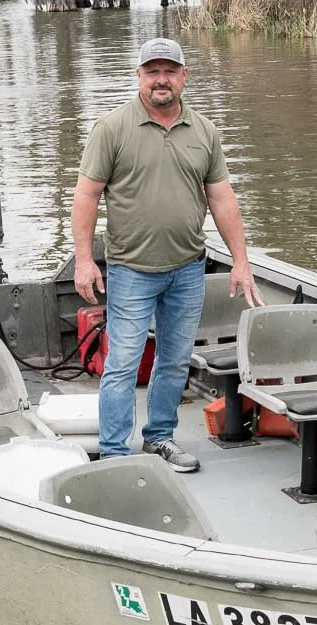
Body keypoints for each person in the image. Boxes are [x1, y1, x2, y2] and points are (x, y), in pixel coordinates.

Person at [70, 37, 264, 472]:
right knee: (122, 364)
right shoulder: (112, 128)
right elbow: (86, 195)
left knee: (174, 362)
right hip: (131, 270)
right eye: (153, 71)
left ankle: (159, 437)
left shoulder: (204, 131)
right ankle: (115, 453)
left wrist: (241, 261)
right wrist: (83, 260)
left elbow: (222, 198)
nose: (162, 79)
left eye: (170, 71)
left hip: (188, 270)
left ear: (183, 77)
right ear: (139, 76)